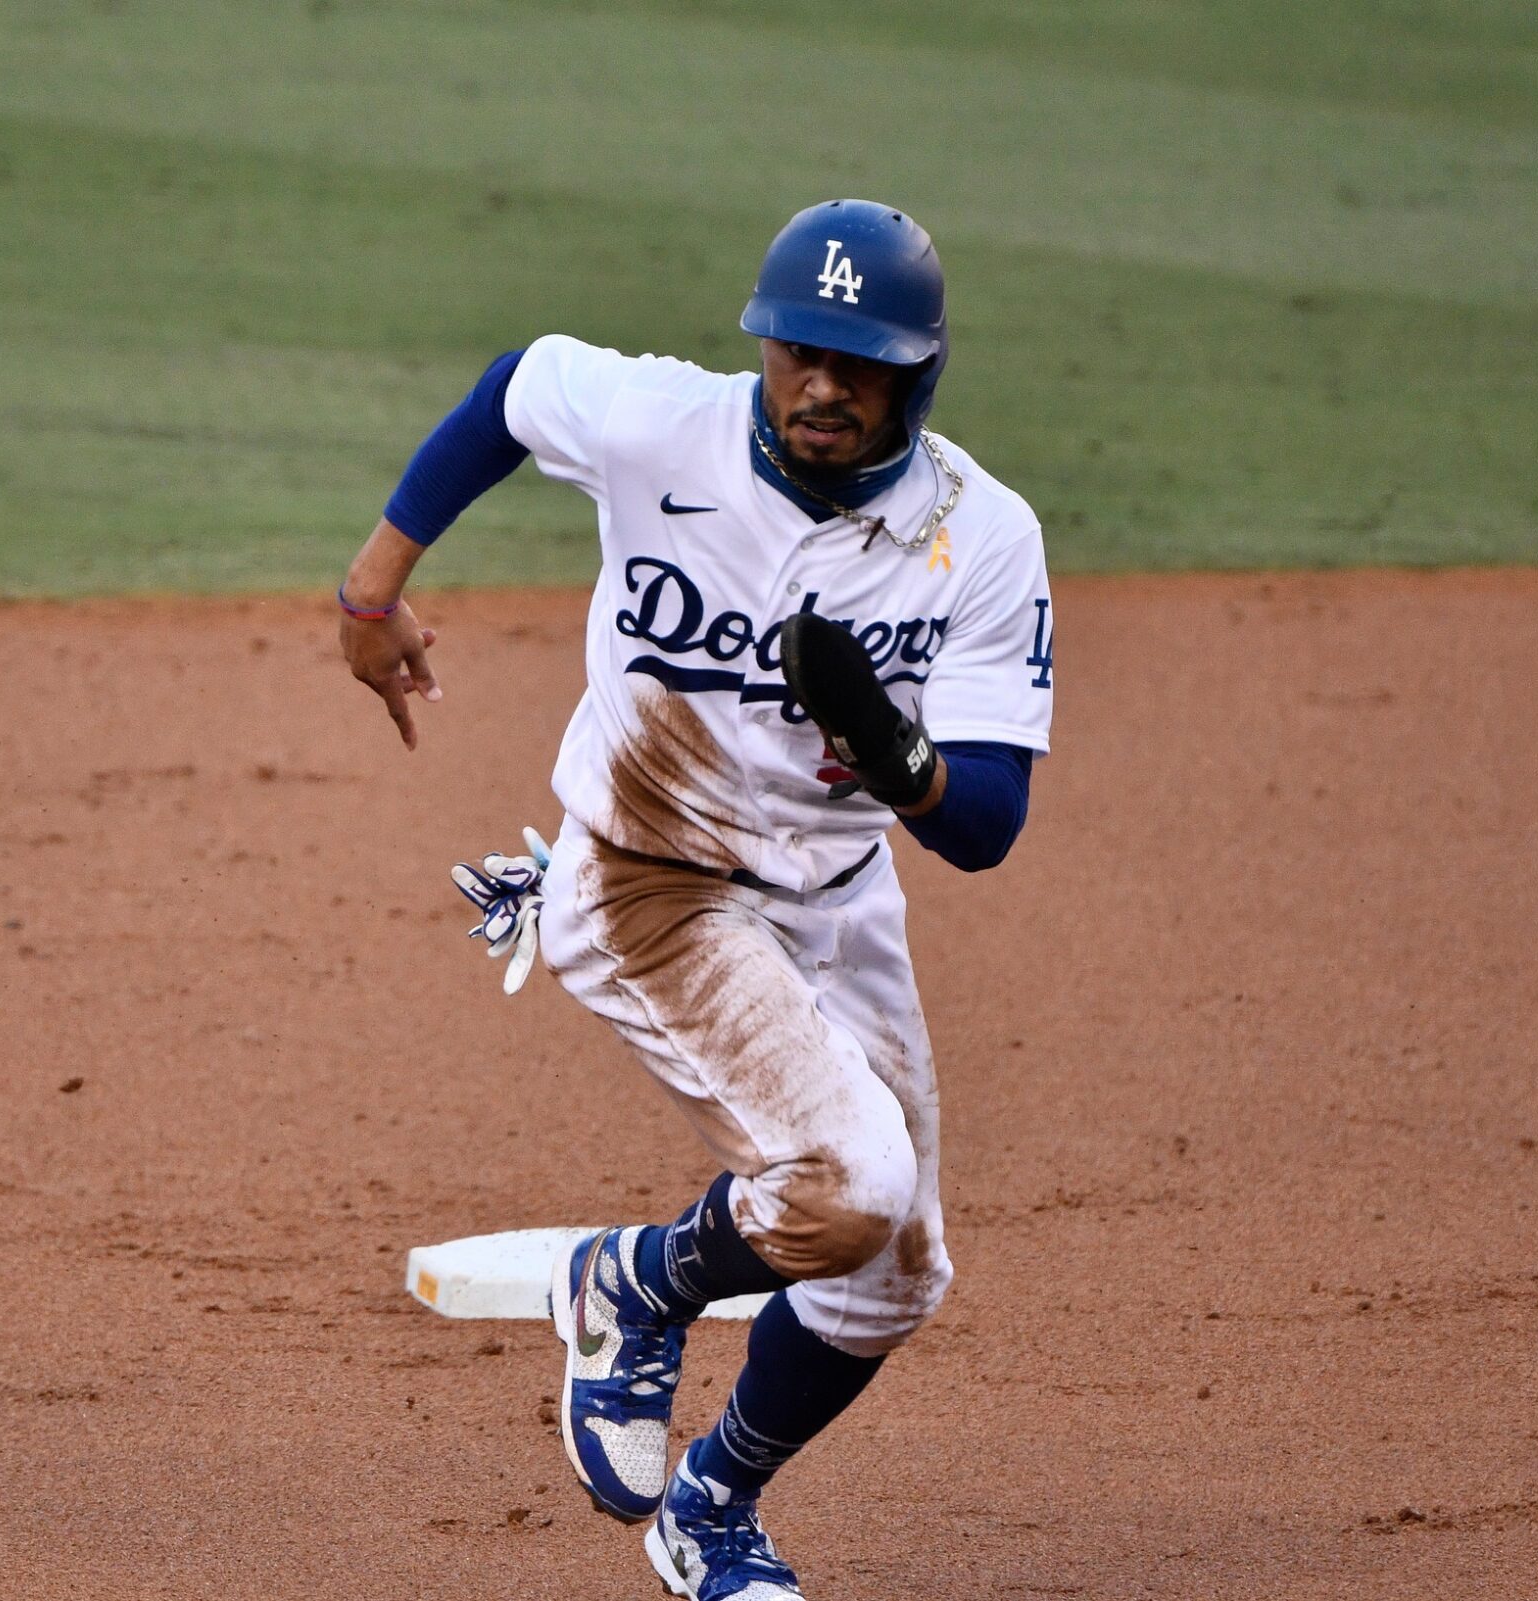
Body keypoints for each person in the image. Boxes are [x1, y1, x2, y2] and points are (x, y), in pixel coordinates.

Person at [339, 201, 1055, 1598]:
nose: (823, 386)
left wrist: (905, 764)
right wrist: (374, 596)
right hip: (646, 879)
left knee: (893, 1271)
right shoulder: (663, 424)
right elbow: (510, 389)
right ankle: (641, 1283)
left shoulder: (984, 538)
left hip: (836, 898)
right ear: (765, 346)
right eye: (801, 351)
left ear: (921, 375)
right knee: (849, 1180)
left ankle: (710, 1501)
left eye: (862, 364)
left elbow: (988, 825)